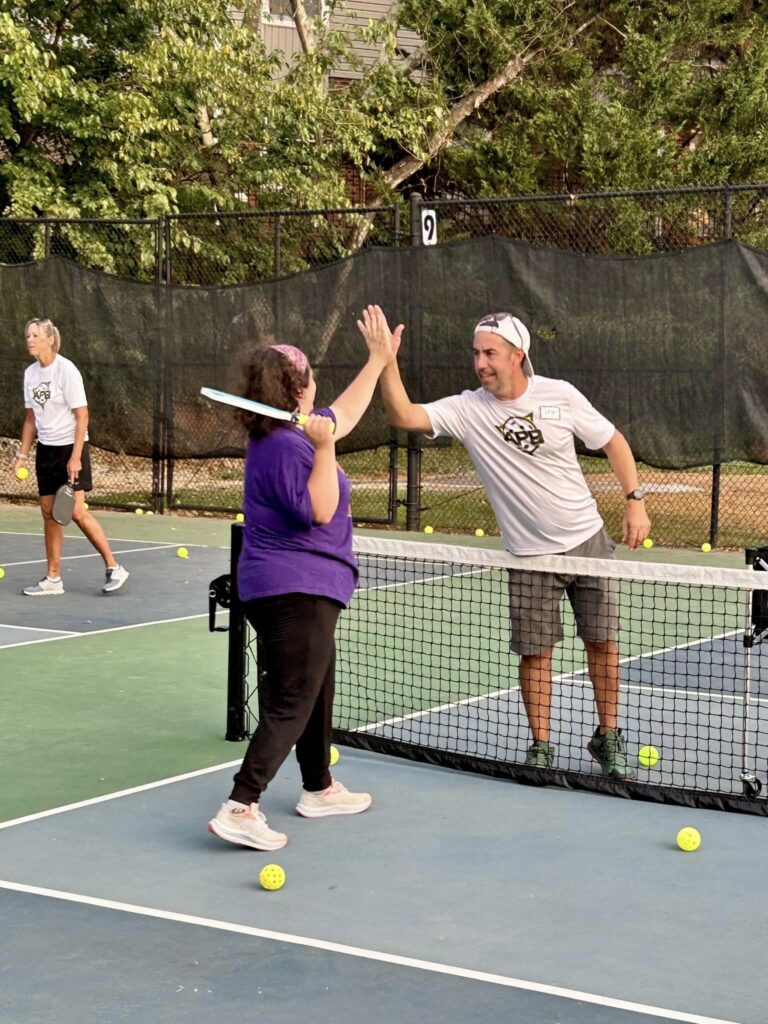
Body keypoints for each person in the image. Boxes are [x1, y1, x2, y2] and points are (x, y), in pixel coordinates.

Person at [364, 305, 651, 780]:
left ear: (518, 354)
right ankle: (541, 746)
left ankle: (609, 736)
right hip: (529, 554)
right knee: (535, 651)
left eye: (490, 353)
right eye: (476, 353)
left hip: (588, 540)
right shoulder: (467, 409)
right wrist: (386, 361)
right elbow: (403, 414)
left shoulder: (559, 395)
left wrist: (634, 498)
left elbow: (613, 441)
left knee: (602, 642)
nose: (481, 363)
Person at [208, 327, 395, 851]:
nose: (316, 383)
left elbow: (346, 413)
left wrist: (378, 361)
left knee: (315, 688)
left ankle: (319, 787)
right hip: (296, 587)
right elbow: (320, 508)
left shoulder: (291, 434)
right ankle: (241, 805)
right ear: (296, 388)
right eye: (309, 374)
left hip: (292, 586)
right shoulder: (288, 446)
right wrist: (325, 447)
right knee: (292, 699)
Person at [13, 318, 129, 596]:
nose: (29, 339)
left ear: (50, 339)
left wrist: (76, 457)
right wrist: (22, 454)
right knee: (49, 514)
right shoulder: (30, 374)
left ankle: (114, 567)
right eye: (28, 335)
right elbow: (31, 418)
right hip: (47, 450)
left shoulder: (66, 371)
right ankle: (53, 579)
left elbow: (82, 415)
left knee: (75, 511)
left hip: (70, 448)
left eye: (35, 335)